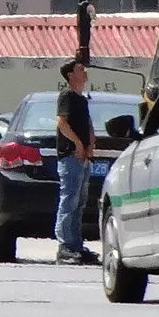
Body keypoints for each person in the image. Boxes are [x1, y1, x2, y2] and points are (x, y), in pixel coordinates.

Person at [54, 57, 97, 266]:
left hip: (84, 158)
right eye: (80, 69)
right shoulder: (67, 96)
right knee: (69, 200)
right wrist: (78, 145)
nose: (85, 71)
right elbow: (62, 123)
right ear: (71, 74)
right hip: (70, 156)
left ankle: (76, 244)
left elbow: (87, 124)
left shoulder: (82, 99)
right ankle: (65, 246)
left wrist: (90, 143)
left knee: (80, 202)